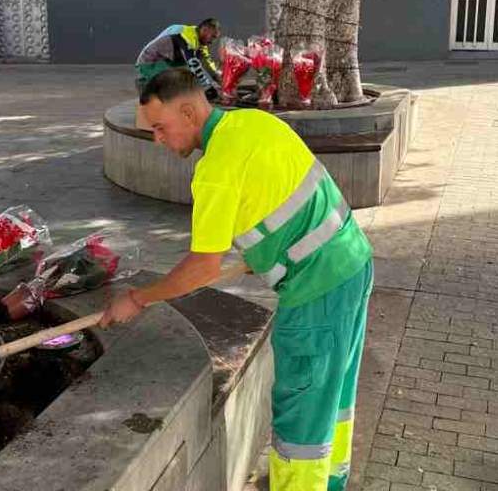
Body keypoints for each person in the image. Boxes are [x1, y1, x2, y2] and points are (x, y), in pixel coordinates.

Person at [100, 68, 374, 491]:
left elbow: (203, 267)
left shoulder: (214, 169)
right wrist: (262, 255)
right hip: (353, 263)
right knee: (331, 395)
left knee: (302, 410)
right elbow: (283, 199)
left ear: (189, 112)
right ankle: (329, 482)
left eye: (160, 127)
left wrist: (138, 299)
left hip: (316, 292)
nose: (156, 139)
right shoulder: (253, 122)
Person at [135, 18, 221, 96]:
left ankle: (155, 83)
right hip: (149, 63)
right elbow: (193, 63)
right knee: (180, 90)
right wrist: (208, 88)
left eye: (216, 38)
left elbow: (207, 63)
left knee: (190, 82)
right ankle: (145, 83)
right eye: (213, 37)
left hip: (166, 61)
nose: (213, 41)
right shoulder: (186, 35)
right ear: (204, 30)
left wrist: (219, 79)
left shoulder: (200, 41)